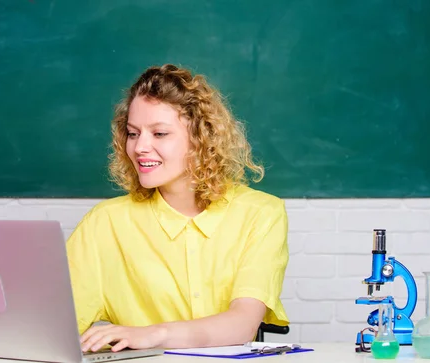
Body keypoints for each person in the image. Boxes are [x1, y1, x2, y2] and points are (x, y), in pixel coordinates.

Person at [66, 64, 289, 353]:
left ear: (201, 139)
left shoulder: (261, 213)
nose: (139, 147)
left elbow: (243, 324)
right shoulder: (104, 222)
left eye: (159, 134)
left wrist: (151, 335)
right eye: (133, 133)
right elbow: (53, 324)